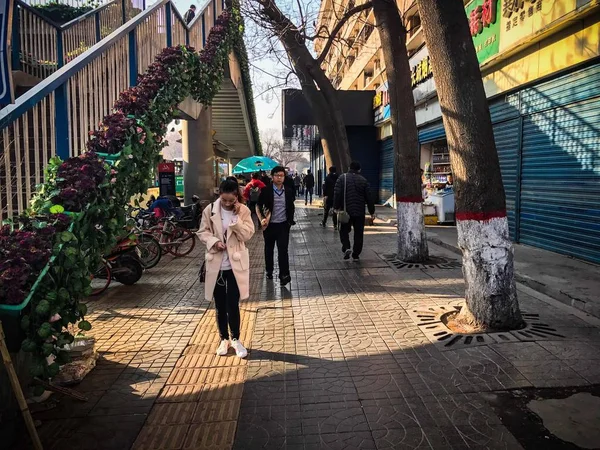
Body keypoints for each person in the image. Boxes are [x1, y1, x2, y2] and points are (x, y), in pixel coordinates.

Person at [198, 179, 255, 358]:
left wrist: (236, 221)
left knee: (233, 303)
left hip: (235, 263)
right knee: (220, 304)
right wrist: (214, 242)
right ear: (219, 194)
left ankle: (236, 339)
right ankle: (223, 339)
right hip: (216, 262)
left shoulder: (243, 211)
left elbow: (248, 234)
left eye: (231, 200)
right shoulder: (210, 210)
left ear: (237, 197)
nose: (228, 204)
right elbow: (202, 231)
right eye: (224, 200)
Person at [256, 166, 296, 286]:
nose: (279, 178)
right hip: (269, 226)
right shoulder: (266, 190)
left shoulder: (288, 191)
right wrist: (262, 219)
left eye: (281, 176)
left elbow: (291, 206)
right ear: (272, 177)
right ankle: (269, 270)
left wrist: (289, 222)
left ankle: (284, 274)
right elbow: (258, 205)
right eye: (277, 175)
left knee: (283, 250)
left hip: (283, 225)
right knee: (269, 249)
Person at [333, 161, 375, 261]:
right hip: (359, 211)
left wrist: (335, 206)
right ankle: (356, 254)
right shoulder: (363, 180)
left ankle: (347, 247)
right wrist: (371, 211)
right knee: (359, 233)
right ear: (359, 169)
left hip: (346, 211)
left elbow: (337, 193)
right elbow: (369, 197)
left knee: (343, 230)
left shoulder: (342, 178)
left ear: (349, 168)